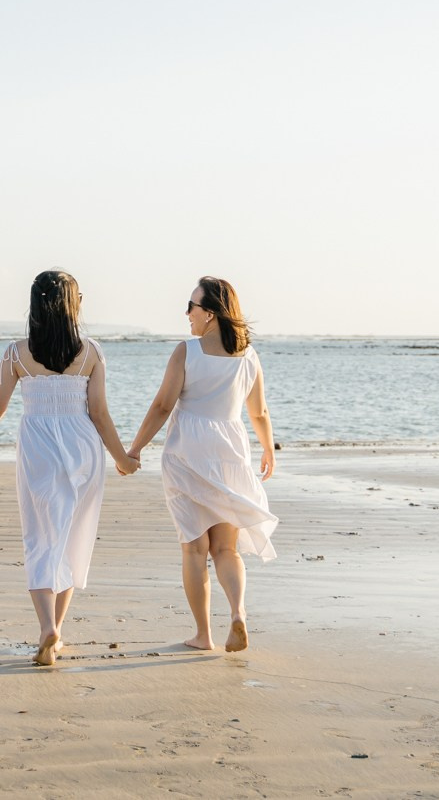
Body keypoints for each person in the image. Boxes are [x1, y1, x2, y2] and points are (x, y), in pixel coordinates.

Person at [0, 270, 137, 666]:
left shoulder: (16, 353)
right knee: (73, 535)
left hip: (38, 446)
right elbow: (100, 413)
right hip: (83, 445)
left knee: (40, 535)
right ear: (74, 304)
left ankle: (46, 627)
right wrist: (122, 458)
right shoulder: (91, 352)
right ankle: (57, 628)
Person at [125, 276, 278, 653]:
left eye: (191, 306)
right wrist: (268, 449)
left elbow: (163, 405)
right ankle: (238, 613)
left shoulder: (187, 351)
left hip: (187, 452)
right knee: (226, 549)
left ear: (209, 313)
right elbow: (258, 412)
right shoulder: (249, 356)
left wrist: (135, 449)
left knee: (194, 549)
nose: (187, 313)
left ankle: (203, 635)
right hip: (230, 451)